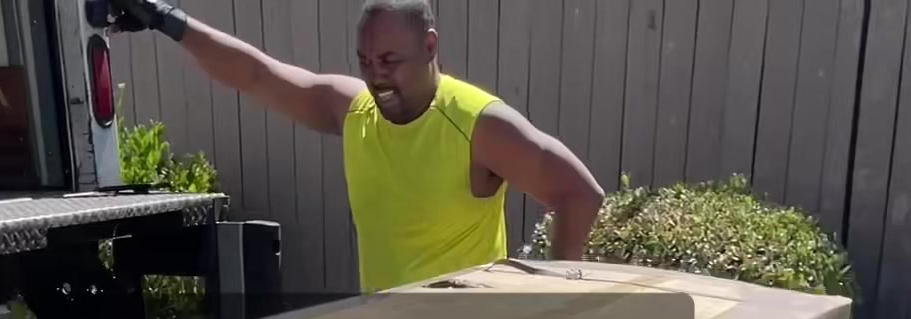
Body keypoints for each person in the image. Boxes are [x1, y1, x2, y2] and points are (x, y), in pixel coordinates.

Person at [98, 0, 605, 293]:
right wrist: (168, 19)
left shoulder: (478, 125)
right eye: (365, 61)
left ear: (430, 47)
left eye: (390, 61)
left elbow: (579, 194)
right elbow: (255, 74)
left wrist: (550, 302)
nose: (376, 76)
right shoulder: (356, 112)